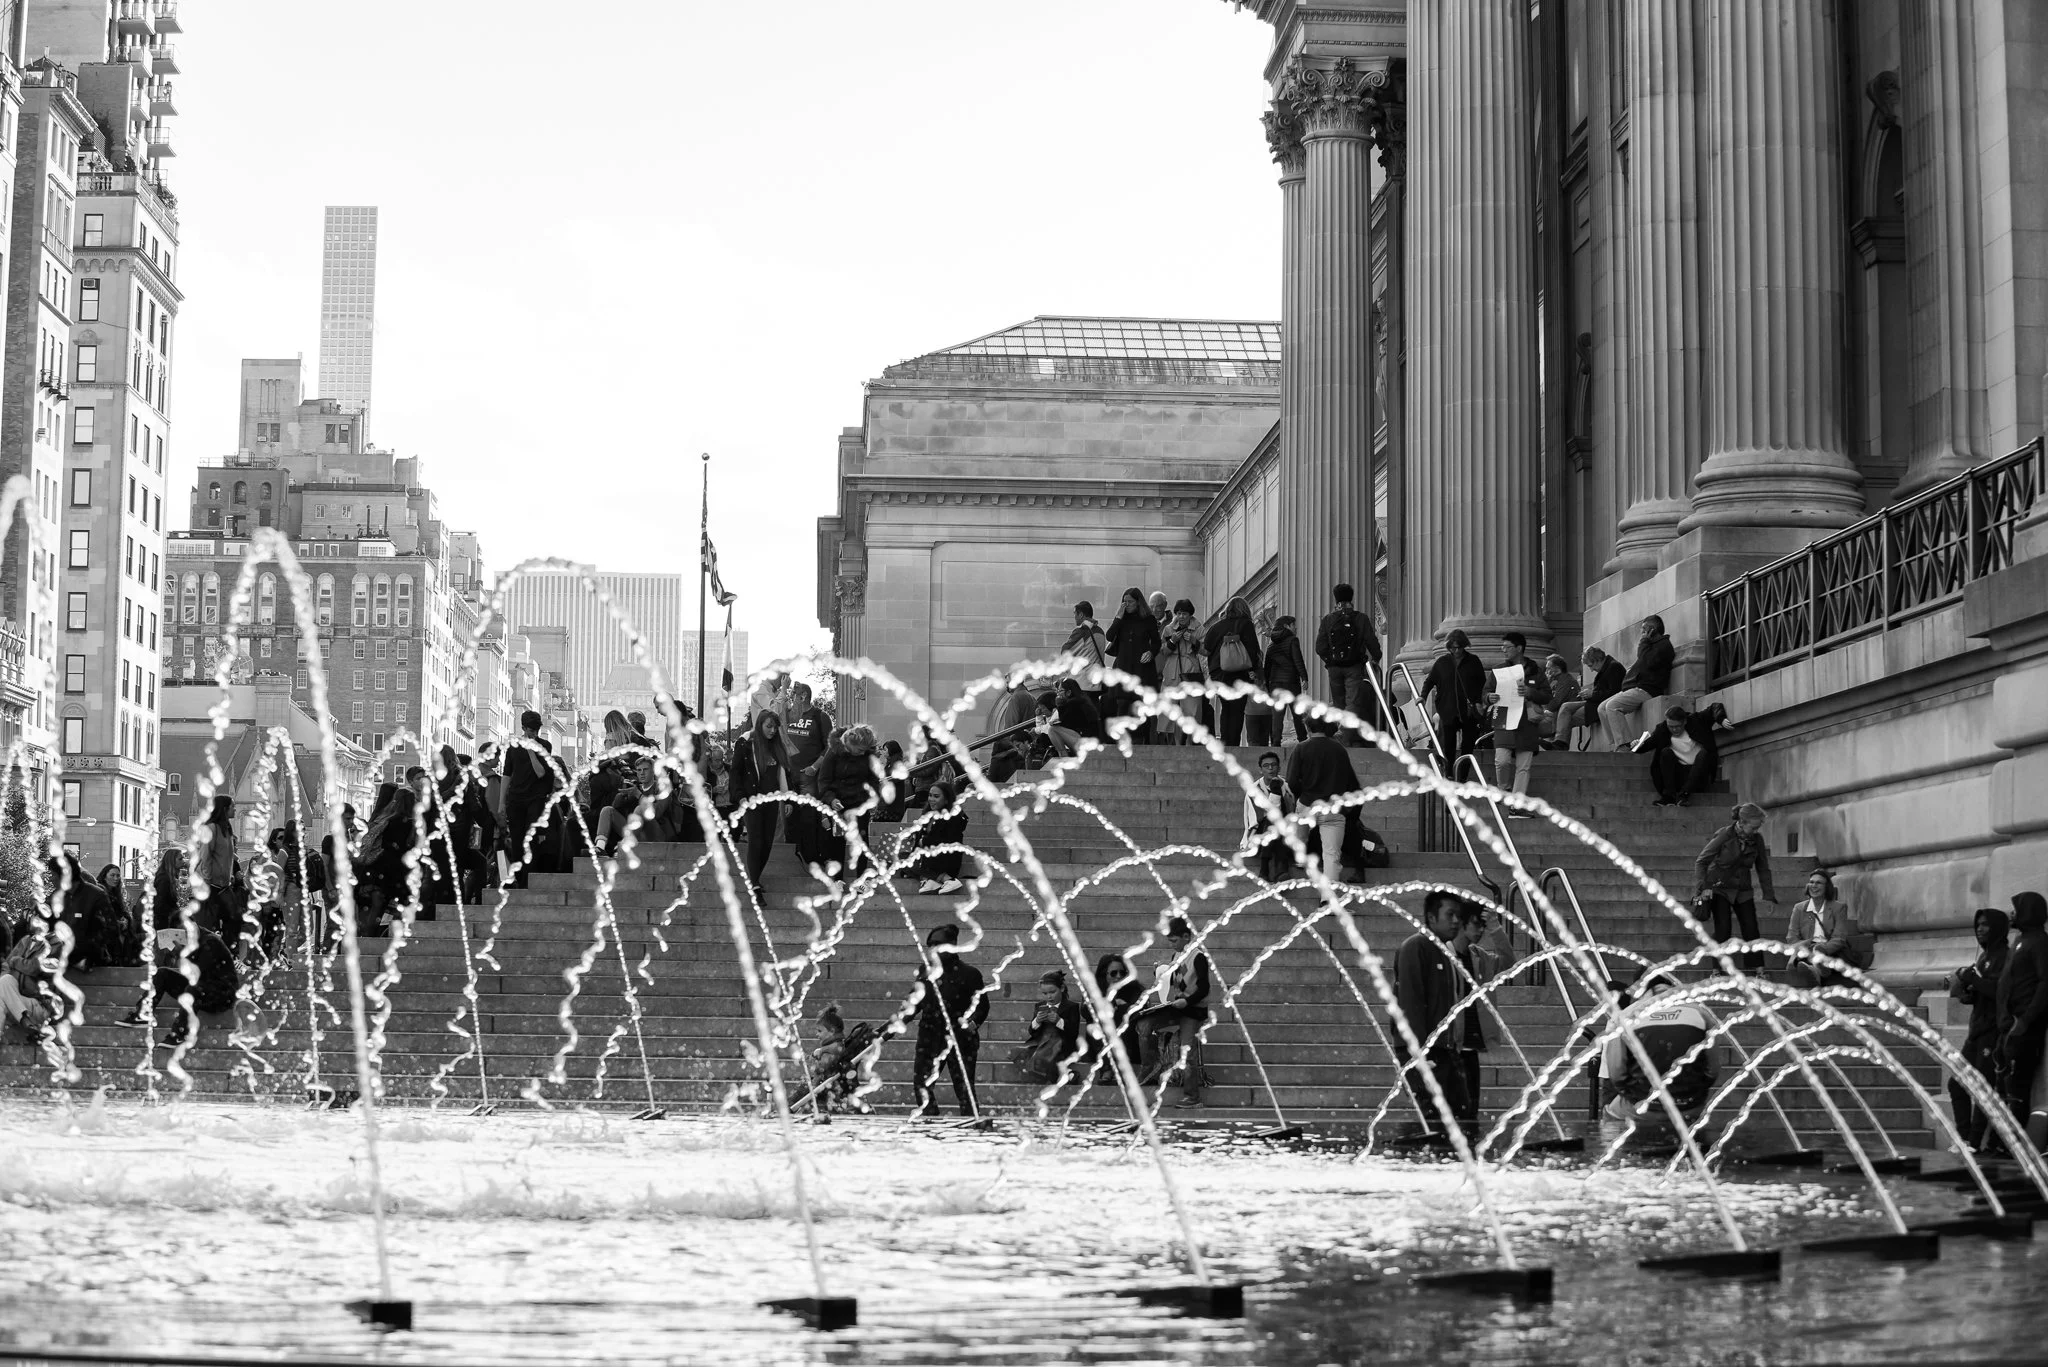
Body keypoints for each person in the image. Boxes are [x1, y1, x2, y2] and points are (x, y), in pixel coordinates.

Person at [1598, 973, 1717, 1151]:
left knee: (1610, 1116)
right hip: (1690, 1105)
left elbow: (1616, 1073)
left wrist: (1635, 1095)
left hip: (1642, 1106)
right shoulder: (1701, 1012)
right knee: (1698, 1114)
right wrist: (1694, 1093)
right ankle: (1699, 1157)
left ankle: (1614, 1167)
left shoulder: (1625, 1016)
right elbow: (1713, 1069)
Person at [1392, 890, 1472, 1137]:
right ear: (1431, 917)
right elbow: (1410, 1003)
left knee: (1459, 1116)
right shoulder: (1416, 947)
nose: (1456, 921)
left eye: (1458, 916)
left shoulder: (1444, 951)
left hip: (1445, 1050)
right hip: (1424, 1052)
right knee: (1432, 1120)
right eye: (1450, 915)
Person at [114, 910, 240, 1048]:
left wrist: (182, 954)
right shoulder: (190, 944)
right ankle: (142, 1013)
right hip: (202, 990)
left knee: (194, 987)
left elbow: (197, 974)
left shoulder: (210, 941)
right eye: (181, 933)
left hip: (222, 995)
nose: (186, 935)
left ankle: (180, 1034)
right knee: (162, 974)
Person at [1947, 906, 2012, 1152]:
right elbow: (1983, 991)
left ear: (1997, 927)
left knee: (1982, 1088)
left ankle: (1974, 1142)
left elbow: (1999, 992)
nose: (1980, 929)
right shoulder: (1985, 956)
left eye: (1985, 925)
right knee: (1957, 1084)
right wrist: (1967, 992)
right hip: (1976, 1031)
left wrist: (1972, 978)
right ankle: (1964, 1138)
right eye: (1977, 925)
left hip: (1992, 1032)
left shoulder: (2005, 956)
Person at [910, 923, 989, 1117]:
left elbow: (982, 1006)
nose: (933, 949)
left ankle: (971, 1125)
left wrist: (972, 1023)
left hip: (960, 1038)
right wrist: (890, 1028)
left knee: (964, 1087)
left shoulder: (970, 974)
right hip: (930, 1035)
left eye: (938, 943)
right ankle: (930, 1121)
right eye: (930, 945)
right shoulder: (925, 971)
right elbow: (914, 1003)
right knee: (921, 1084)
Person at [1136, 917, 1211, 1108]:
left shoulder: (1198, 957)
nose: (1171, 944)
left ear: (1187, 937)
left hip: (1193, 1011)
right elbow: (1172, 983)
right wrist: (1160, 975)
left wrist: (1187, 1001)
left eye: (1174, 940)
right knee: (1143, 1024)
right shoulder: (1176, 957)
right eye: (1170, 941)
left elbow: (1204, 988)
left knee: (1187, 1051)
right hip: (1176, 1007)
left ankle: (1192, 1096)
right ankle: (1148, 1070)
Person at [1994, 890, 2048, 1151]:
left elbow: (2044, 984)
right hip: (2006, 1026)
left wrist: (2025, 1020)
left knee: (2017, 1086)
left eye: (2016, 909)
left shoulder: (2039, 942)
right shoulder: (2019, 940)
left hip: (2023, 1028)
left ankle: (2016, 1146)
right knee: (2003, 1083)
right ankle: (2003, 1141)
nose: (2011, 914)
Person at [1694, 802, 1777, 970]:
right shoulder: (1725, 835)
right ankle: (1717, 968)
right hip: (1720, 887)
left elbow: (1763, 868)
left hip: (1743, 889)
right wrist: (1704, 887)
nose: (1755, 832)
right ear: (1742, 822)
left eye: (1758, 828)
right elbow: (1701, 861)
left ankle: (1757, 967)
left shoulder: (1757, 840)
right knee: (1723, 929)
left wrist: (1768, 895)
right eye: (1753, 828)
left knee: (1751, 928)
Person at [1286, 718, 1363, 884]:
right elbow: (1352, 783)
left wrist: (1301, 795)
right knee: (1332, 856)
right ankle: (1327, 901)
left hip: (1308, 804)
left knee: (1300, 831)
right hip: (1334, 809)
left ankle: (1301, 854)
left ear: (1307, 727)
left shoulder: (1301, 748)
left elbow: (1291, 782)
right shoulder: (1339, 749)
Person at [731, 712, 794, 904]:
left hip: (772, 800)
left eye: (775, 727)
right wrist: (740, 796)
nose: (772, 731)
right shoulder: (745, 744)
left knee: (767, 843)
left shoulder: (777, 747)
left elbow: (785, 774)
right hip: (751, 799)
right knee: (756, 840)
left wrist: (788, 798)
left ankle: (755, 879)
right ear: (759, 725)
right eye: (769, 726)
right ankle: (754, 885)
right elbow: (736, 772)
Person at [1485, 632, 1550, 813]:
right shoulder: (1498, 671)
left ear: (1519, 648)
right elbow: (1486, 692)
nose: (1503, 650)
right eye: (1502, 647)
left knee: (1524, 766)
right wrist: (1489, 697)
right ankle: (1504, 789)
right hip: (1504, 719)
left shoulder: (1536, 671)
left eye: (1507, 647)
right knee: (1502, 760)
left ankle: (1517, 803)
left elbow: (1547, 695)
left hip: (1527, 723)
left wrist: (1530, 692)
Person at [813, 723, 883, 882]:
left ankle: (861, 882)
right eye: (860, 750)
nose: (862, 753)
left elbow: (874, 780)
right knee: (836, 842)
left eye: (865, 750)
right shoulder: (834, 752)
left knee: (862, 843)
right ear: (851, 744)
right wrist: (831, 799)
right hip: (839, 803)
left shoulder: (868, 756)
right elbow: (824, 780)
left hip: (860, 804)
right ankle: (838, 880)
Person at [1314, 581, 1383, 741]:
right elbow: (1371, 641)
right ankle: (1344, 732)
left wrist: (1329, 660)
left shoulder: (1328, 619)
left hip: (1334, 668)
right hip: (1354, 666)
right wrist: (1376, 657)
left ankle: (1344, 734)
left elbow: (1320, 647)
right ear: (1352, 599)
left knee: (1339, 702)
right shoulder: (1361, 618)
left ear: (1335, 599)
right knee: (1352, 701)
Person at [1599, 615, 1676, 751]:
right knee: (1602, 708)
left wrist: (1644, 642)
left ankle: (1625, 745)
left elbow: (1647, 662)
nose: (1642, 634)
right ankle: (1616, 744)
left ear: (1652, 630)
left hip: (1647, 690)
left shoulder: (1664, 646)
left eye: (1644, 630)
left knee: (1612, 706)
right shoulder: (1651, 646)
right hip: (1636, 688)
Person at [501, 710, 559, 887]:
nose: (534, 733)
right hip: (516, 798)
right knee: (517, 839)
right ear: (524, 728)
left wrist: (531, 750)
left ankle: (529, 878)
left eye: (536, 730)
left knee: (531, 837)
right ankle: (518, 879)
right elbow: (507, 774)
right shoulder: (513, 747)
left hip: (536, 798)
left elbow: (541, 772)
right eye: (530, 730)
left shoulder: (545, 746)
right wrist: (501, 803)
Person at [1632, 703, 1729, 807]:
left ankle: (1684, 795)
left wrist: (1721, 719)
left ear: (1685, 721)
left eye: (1677, 726)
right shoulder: (1662, 729)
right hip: (1678, 775)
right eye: (1671, 726)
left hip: (1698, 776)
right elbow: (1647, 745)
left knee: (1705, 753)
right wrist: (1636, 745)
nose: (1674, 730)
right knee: (1665, 752)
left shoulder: (1697, 721)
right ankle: (1669, 796)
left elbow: (1715, 707)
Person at [1450, 901, 1493, 1130]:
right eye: (1477, 924)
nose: (1480, 931)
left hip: (1471, 1046)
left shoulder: (1478, 956)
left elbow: (1509, 962)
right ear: (1462, 924)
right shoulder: (1444, 955)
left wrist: (1496, 927)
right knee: (1456, 1113)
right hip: (1451, 1048)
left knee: (1471, 1113)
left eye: (1483, 926)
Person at [1417, 630, 1486, 766]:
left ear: (1464, 645)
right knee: (1448, 745)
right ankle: (1448, 774)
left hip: (1468, 710)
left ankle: (1462, 777)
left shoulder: (1473, 661)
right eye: (1453, 647)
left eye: (1459, 647)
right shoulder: (1442, 662)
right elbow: (1429, 681)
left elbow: (1482, 684)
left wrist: (1479, 702)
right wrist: (1423, 697)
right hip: (1448, 709)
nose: (1457, 650)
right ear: (1449, 647)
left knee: (1468, 747)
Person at [1203, 596, 1263, 747]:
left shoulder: (1216, 627)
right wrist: (1255, 670)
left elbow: (1206, 649)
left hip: (1219, 675)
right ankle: (1233, 744)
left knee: (1226, 708)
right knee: (1237, 709)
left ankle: (1224, 741)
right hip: (1240, 674)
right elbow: (1252, 649)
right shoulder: (1246, 624)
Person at [781, 682, 833, 856]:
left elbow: (830, 746)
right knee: (790, 817)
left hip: (809, 776)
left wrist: (815, 766)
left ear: (803, 696)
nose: (792, 698)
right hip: (788, 775)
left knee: (809, 817)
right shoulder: (789, 716)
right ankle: (794, 853)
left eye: (794, 695)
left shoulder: (820, 716)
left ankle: (811, 855)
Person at [1011, 969, 1085, 1085]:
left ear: (1061, 988)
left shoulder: (1071, 1006)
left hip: (1061, 1043)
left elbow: (1073, 1031)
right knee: (1018, 1053)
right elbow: (1032, 1031)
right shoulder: (1040, 1006)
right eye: (1045, 994)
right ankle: (1065, 1074)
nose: (1049, 996)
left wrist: (1059, 1021)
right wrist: (1037, 1021)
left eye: (1052, 992)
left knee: (1046, 1056)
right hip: (1041, 1041)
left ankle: (1053, 1075)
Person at [1104, 586, 1161, 734]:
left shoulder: (1148, 619)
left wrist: (1151, 652)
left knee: (1141, 704)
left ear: (1138, 602)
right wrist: (1118, 617)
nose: (1126, 605)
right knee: (1122, 703)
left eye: (1130, 601)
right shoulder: (1122, 619)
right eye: (1124, 602)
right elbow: (1109, 636)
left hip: (1142, 668)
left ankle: (1142, 741)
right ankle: (1121, 737)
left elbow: (1156, 642)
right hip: (1123, 667)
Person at [1783, 869, 1853, 988]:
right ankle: (1818, 970)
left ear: (1827, 887)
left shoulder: (1838, 907)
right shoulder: (1799, 908)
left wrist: (1822, 948)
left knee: (1819, 953)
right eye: (1811, 882)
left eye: (1818, 883)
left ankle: (1817, 969)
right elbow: (1791, 937)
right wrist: (1806, 945)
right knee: (1805, 955)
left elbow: (1839, 938)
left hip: (1830, 948)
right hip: (1807, 947)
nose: (1814, 886)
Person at [196, 795, 245, 956]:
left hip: (224, 885)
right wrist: (208, 879)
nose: (235, 809)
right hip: (211, 885)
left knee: (235, 918)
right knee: (211, 922)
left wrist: (229, 874)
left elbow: (226, 856)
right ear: (224, 809)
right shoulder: (211, 829)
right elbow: (205, 856)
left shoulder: (227, 829)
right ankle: (213, 955)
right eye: (232, 806)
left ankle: (227, 953)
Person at [1156, 598, 1209, 743]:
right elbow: (1163, 651)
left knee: (1192, 710)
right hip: (1171, 670)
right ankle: (1176, 744)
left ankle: (1189, 743)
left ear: (1190, 614)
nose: (1181, 617)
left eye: (1184, 614)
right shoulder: (1169, 629)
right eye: (1178, 613)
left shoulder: (1199, 628)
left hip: (1190, 670)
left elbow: (1206, 651)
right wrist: (1172, 641)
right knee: (1170, 710)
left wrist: (1193, 641)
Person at [1549, 646, 1621, 751]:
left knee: (1565, 716)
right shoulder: (1606, 667)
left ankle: (1560, 744)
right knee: (1565, 707)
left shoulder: (1613, 667)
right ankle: (1560, 742)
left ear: (1597, 660)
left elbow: (1614, 693)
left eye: (1591, 666)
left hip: (1599, 704)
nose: (1591, 670)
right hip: (1594, 701)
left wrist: (1592, 694)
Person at [904, 780, 968, 895]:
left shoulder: (954, 817)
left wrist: (924, 841)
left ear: (947, 799)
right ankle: (933, 880)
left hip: (944, 859)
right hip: (928, 857)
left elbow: (949, 842)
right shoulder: (928, 814)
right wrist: (915, 835)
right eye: (930, 795)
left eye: (936, 796)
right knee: (900, 857)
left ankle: (947, 879)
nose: (931, 799)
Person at [1242, 750, 1298, 882]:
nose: (1270, 768)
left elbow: (1292, 811)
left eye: (1273, 765)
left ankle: (1266, 869)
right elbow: (1258, 817)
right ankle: (1280, 869)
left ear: (1279, 768)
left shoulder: (1286, 786)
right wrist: (1275, 793)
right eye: (1266, 766)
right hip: (1259, 830)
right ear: (1260, 770)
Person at [1257, 615, 1311, 744]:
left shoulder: (1271, 645)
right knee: (1297, 713)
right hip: (1291, 682)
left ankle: (1275, 742)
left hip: (1275, 684)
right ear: (1287, 626)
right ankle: (1302, 739)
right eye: (1293, 624)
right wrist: (1304, 677)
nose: (1296, 627)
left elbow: (1267, 667)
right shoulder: (1292, 640)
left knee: (1277, 715)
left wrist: (1268, 685)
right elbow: (1298, 660)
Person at [1092, 953, 1146, 1072]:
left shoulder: (1135, 989)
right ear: (1103, 974)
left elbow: (1140, 1010)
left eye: (1122, 973)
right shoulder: (1094, 990)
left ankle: (1111, 1068)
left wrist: (1122, 1007)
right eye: (1113, 973)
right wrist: (1117, 1005)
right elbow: (1088, 1011)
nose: (1118, 976)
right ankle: (1107, 1068)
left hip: (1129, 1038)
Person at [0, 922, 54, 1042]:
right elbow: (7, 966)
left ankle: (27, 1021)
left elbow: (34, 968)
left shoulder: (54, 943)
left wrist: (16, 960)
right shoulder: (25, 940)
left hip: (38, 1005)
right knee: (5, 981)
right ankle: (25, 1021)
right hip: (17, 1001)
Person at [1060, 601, 1111, 698]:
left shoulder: (1082, 631)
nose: (1074, 617)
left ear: (1081, 614)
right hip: (1096, 685)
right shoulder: (1100, 632)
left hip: (1080, 685)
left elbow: (1065, 652)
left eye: (1075, 614)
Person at [1537, 655, 1581, 749]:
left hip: (1560, 715)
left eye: (1548, 668)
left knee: (1531, 724)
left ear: (1557, 669)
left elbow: (1554, 703)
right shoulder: (1554, 680)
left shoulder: (1565, 680)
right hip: (1553, 714)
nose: (1546, 671)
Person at [1054, 677, 1104, 744]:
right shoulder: (1082, 700)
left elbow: (1066, 724)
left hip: (1085, 739)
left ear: (1068, 692)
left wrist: (1060, 706)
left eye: (1060, 691)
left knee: (1053, 729)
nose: (1058, 694)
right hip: (1093, 738)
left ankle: (1063, 753)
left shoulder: (1073, 703)